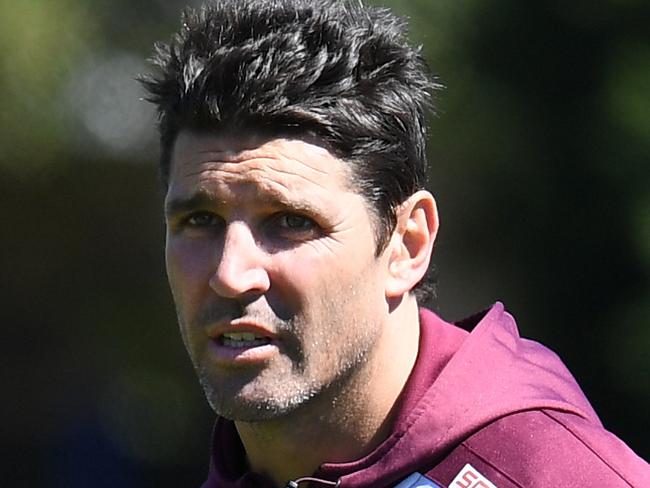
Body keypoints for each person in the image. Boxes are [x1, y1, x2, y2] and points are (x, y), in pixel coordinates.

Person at [141, 0, 649, 486]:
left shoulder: (559, 475)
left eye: (291, 222)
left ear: (407, 245)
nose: (231, 273)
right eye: (201, 219)